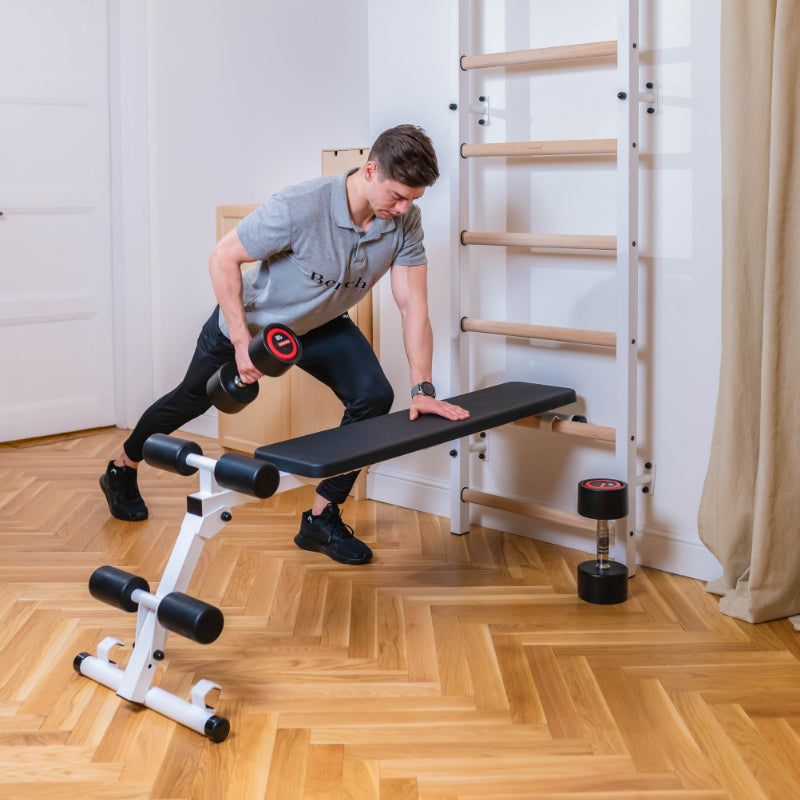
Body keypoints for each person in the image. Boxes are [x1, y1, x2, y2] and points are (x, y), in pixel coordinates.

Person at [100, 124, 469, 565]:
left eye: (414, 199)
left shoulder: (404, 219)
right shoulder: (300, 205)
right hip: (254, 323)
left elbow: (414, 307)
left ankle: (320, 518)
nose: (405, 207)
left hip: (320, 324)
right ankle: (122, 467)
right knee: (191, 400)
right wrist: (240, 341)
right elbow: (223, 257)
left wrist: (423, 389)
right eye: (398, 195)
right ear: (370, 171)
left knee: (374, 396)